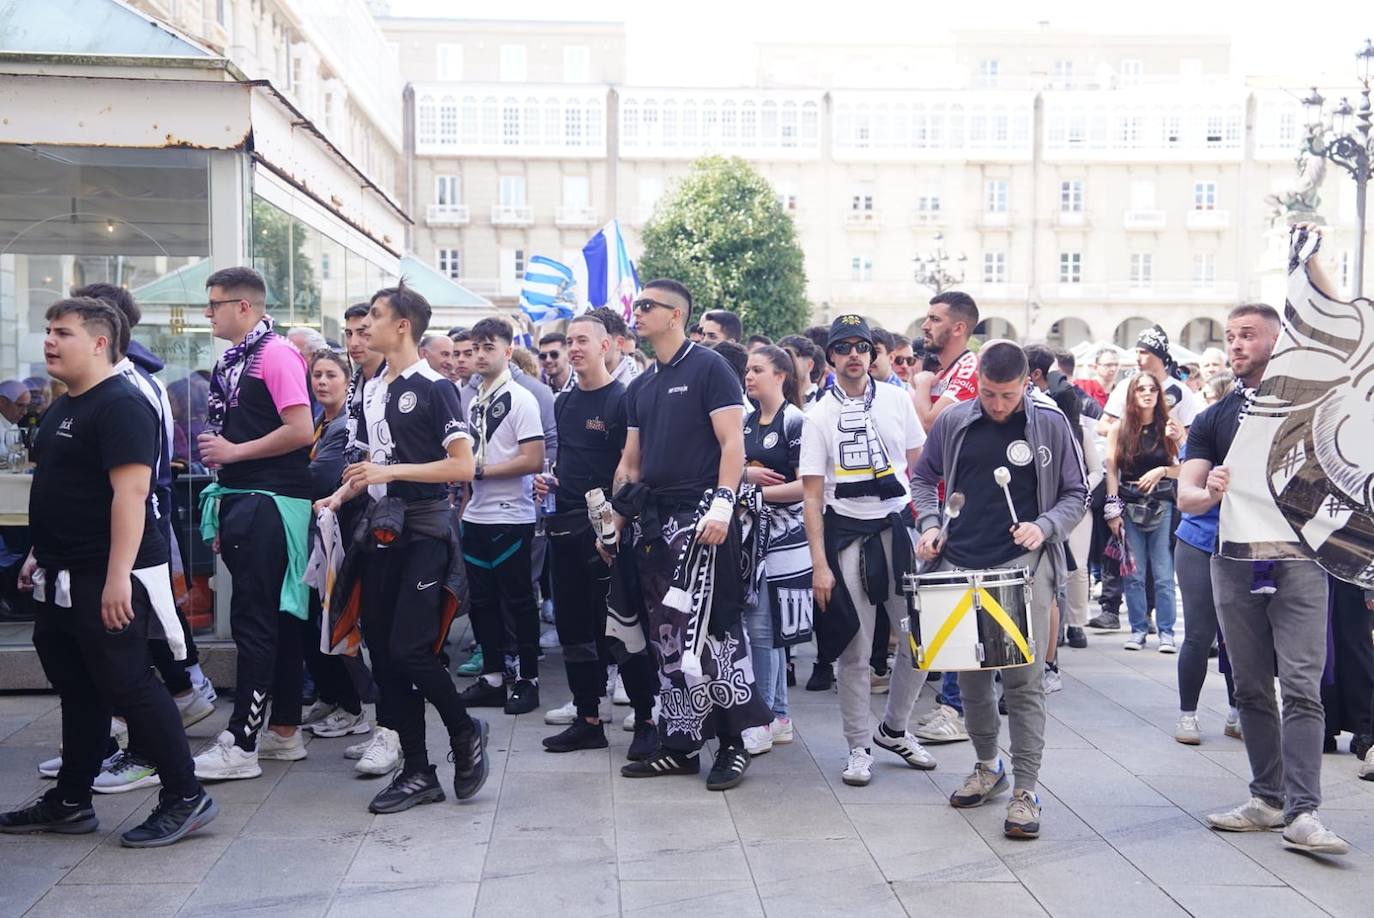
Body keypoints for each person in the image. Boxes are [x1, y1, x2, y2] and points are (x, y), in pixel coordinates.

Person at [0, 297, 217, 847]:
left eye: (63, 332)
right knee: (78, 687)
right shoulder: (63, 404)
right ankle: (71, 801)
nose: (49, 340)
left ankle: (186, 796)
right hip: (59, 570)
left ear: (99, 342)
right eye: (48, 329)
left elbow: (132, 494)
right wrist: (36, 554)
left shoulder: (121, 402)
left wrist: (119, 575)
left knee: (131, 685)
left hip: (108, 573)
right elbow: (61, 487)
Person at [1179, 293, 1349, 855]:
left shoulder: (1314, 408)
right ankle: (1267, 798)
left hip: (1301, 562)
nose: (1236, 344)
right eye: (1230, 336)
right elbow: (1187, 497)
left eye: (1248, 334)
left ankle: (1304, 812)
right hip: (1233, 561)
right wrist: (1211, 492)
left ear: (1277, 342)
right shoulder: (1213, 417)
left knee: (1301, 687)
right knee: (1250, 686)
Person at [317, 282, 489, 814]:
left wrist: (389, 472)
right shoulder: (370, 389)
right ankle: (418, 770)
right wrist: (340, 493)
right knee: (385, 656)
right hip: (380, 530)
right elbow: (371, 461)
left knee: (413, 650)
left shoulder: (436, 387)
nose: (365, 324)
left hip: (426, 531)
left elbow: (462, 467)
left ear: (402, 326)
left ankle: (464, 730)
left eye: (374, 315)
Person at [913, 341, 1087, 839]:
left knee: (1023, 682)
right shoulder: (954, 420)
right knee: (971, 678)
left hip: (1021, 567)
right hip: (962, 560)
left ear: (1026, 384)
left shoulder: (1049, 423)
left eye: (1007, 395)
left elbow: (1078, 492)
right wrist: (929, 524)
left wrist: (1046, 525)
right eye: (989, 393)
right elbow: (924, 478)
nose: (996, 405)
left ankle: (1027, 790)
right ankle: (989, 765)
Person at [613, 279, 772, 791]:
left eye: (646, 306)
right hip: (654, 526)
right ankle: (680, 744)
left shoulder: (710, 367)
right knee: (666, 637)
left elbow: (733, 444)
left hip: (705, 518)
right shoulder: (641, 384)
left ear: (675, 314)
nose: (636, 313)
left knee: (715, 631)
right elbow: (631, 462)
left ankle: (732, 744)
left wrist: (724, 503)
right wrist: (613, 521)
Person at [192, 267, 315, 781]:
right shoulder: (239, 357)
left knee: (256, 621)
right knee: (276, 621)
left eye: (215, 303)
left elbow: (301, 429)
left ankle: (243, 741)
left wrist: (235, 451)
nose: (207, 313)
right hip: (250, 497)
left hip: (269, 501)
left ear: (244, 306)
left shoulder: (276, 354)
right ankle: (283, 730)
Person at [800, 315, 932, 787]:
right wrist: (819, 565)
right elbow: (812, 495)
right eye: (844, 347)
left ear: (872, 353)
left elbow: (922, 470)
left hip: (898, 531)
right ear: (831, 356)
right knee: (854, 650)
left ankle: (894, 727)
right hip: (846, 535)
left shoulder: (897, 400)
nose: (854, 354)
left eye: (862, 346)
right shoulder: (818, 415)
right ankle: (858, 746)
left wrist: (932, 526)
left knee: (921, 640)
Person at [537, 315, 658, 758]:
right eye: (569, 340)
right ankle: (588, 719)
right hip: (565, 529)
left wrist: (613, 528)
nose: (573, 348)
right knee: (573, 629)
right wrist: (552, 482)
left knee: (622, 629)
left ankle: (646, 720)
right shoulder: (564, 403)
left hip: (609, 534)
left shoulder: (623, 400)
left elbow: (630, 469)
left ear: (607, 345)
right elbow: (570, 462)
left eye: (582, 340)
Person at [456, 318, 546, 715]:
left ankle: (527, 679)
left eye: (487, 347)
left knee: (519, 601)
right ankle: (493, 677)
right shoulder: (474, 399)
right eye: (475, 348)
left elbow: (534, 459)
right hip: (475, 515)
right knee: (482, 602)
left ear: (508, 352)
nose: (479, 355)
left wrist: (477, 472)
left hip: (512, 516)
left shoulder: (522, 398)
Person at [907, 291, 981, 745]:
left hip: (961, 507)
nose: (926, 326)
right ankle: (955, 701)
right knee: (945, 603)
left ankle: (956, 707)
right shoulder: (946, 371)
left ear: (958, 328)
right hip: (935, 504)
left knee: (957, 603)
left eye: (934, 319)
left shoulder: (967, 370)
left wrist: (918, 385)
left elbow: (930, 423)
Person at [300, 349, 373, 743]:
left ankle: (355, 706)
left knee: (337, 621)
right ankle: (332, 696)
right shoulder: (319, 422)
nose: (322, 382)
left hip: (338, 535)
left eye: (330, 375)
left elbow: (318, 476)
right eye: (316, 376)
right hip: (318, 535)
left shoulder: (345, 425)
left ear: (347, 383)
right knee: (316, 622)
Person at [739, 345, 810, 756]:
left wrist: (756, 493)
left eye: (758, 370)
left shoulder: (796, 421)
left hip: (784, 541)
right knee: (763, 629)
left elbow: (807, 484)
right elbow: (731, 471)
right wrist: (746, 478)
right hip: (751, 539)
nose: (749, 377)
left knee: (766, 630)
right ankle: (779, 714)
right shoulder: (746, 421)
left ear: (781, 375)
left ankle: (763, 717)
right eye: (747, 370)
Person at [1105, 373, 1180, 652]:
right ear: (1132, 394)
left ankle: (1166, 632)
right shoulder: (1120, 429)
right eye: (1141, 389)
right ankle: (1137, 629)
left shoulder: (1168, 427)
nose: (1147, 394)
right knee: (1134, 573)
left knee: (1162, 572)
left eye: (1152, 389)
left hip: (1161, 503)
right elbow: (1112, 469)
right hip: (1130, 503)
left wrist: (1162, 470)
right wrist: (1112, 508)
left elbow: (1186, 465)